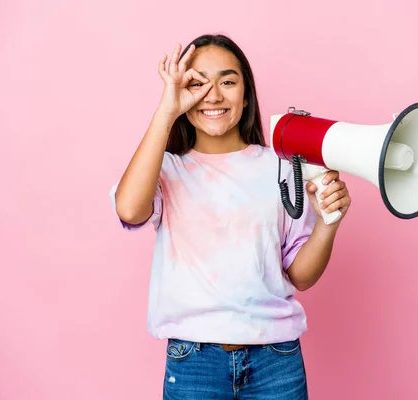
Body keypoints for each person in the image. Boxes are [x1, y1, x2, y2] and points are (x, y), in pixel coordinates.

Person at [109, 33, 351, 400]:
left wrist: (328, 224)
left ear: (246, 93)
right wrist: (166, 110)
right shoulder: (168, 170)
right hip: (195, 362)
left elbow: (300, 276)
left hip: (276, 362)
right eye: (197, 83)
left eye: (227, 81)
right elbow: (129, 209)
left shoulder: (282, 167)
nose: (214, 96)